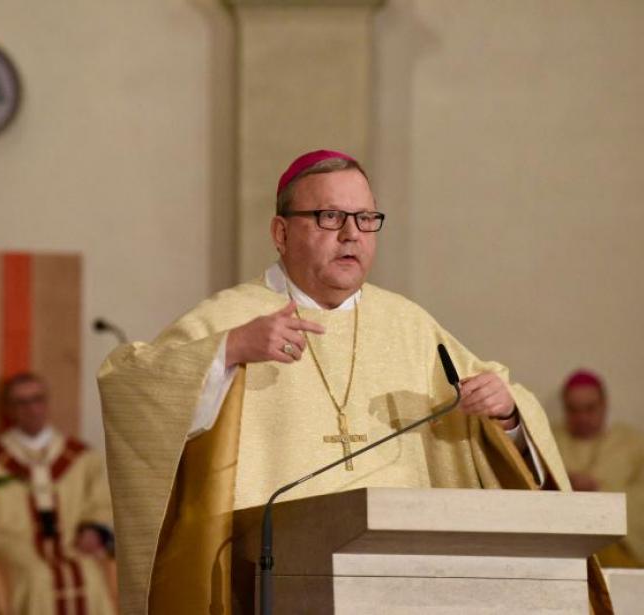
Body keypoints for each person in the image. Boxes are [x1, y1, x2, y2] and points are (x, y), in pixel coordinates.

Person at [97, 150, 576, 615]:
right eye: (330, 216)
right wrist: (230, 350)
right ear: (281, 233)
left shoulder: (409, 325)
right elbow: (129, 385)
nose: (352, 235)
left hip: (407, 582)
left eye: (366, 219)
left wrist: (507, 413)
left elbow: (498, 412)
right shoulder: (234, 317)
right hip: (272, 580)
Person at [0, 372, 118, 615]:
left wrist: (94, 530)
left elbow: (101, 500)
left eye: (37, 399)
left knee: (89, 575)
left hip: (72, 542)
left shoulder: (81, 457)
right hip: (15, 546)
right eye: (22, 402)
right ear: (9, 409)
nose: (32, 409)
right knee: (39, 579)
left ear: (47, 403)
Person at [553, 369, 644, 566]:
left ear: (605, 405)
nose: (582, 418)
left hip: (619, 549)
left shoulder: (632, 443)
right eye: (573, 410)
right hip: (563, 550)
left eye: (590, 408)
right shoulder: (547, 439)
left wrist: (598, 490)